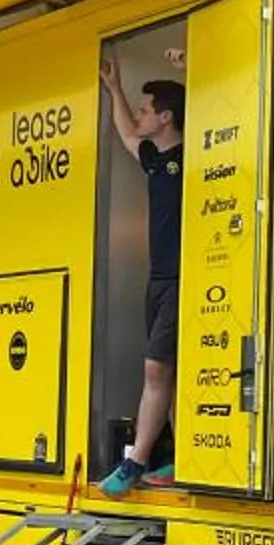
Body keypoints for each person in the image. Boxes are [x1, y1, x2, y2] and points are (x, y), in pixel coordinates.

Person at [97, 59, 187, 496]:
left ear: (167, 117)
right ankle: (181, 458)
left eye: (148, 109)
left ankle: (135, 462)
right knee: (169, 374)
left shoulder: (195, 154)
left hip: (182, 280)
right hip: (158, 280)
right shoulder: (155, 160)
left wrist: (195, 66)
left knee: (156, 369)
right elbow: (128, 135)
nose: (141, 115)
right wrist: (115, 88)